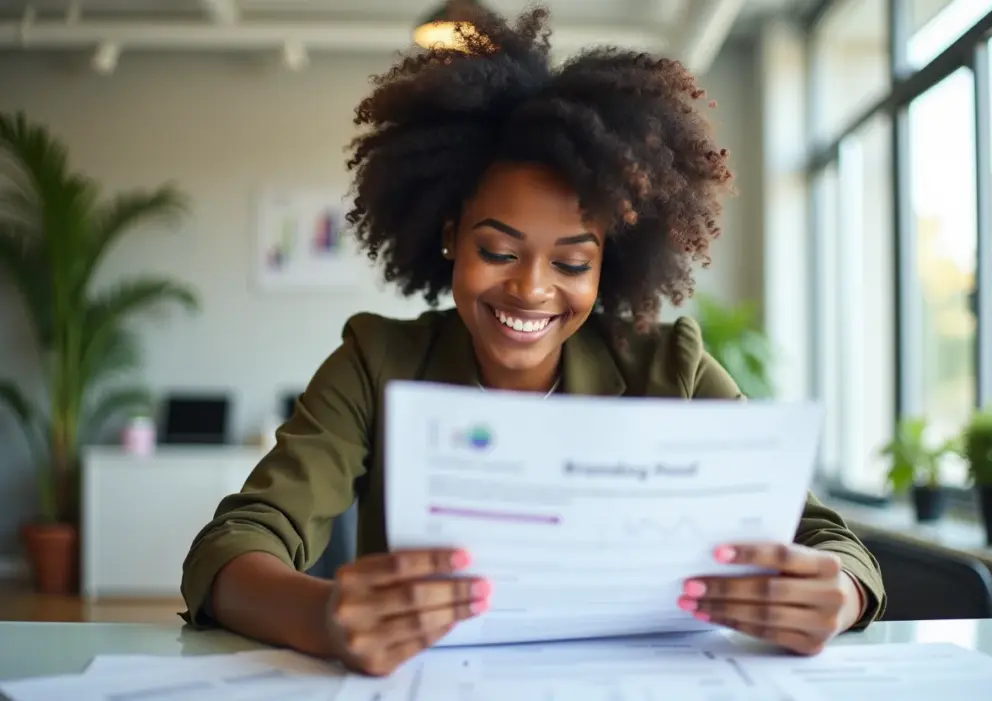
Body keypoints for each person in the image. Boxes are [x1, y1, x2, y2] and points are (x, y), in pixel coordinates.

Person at [180, 6, 885, 677]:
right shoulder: (377, 362)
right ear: (451, 233)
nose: (531, 288)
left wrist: (839, 592)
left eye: (572, 262)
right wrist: (325, 614)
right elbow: (232, 546)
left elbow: (830, 540)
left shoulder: (670, 367)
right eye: (498, 249)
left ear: (610, 263)